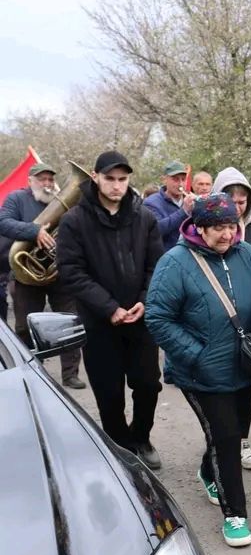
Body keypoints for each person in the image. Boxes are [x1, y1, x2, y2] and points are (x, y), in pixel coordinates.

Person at [145, 192, 251, 547]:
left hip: (243, 364)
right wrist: (196, 354)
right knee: (226, 436)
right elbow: (158, 317)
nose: (227, 234)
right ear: (198, 228)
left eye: (232, 225)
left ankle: (207, 470)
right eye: (218, 228)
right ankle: (235, 514)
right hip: (201, 371)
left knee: (236, 428)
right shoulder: (175, 262)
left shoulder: (250, 256)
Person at [56, 151, 165, 470]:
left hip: (140, 319)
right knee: (108, 390)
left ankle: (141, 438)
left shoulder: (144, 217)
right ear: (95, 177)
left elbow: (157, 265)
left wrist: (146, 299)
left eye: (123, 179)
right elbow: (71, 271)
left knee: (148, 384)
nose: (117, 185)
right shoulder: (74, 220)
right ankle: (119, 446)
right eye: (110, 178)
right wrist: (109, 308)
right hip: (100, 323)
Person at [0, 162, 85, 388]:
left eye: (50, 179)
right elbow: (3, 222)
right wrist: (33, 231)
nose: (47, 184)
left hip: (60, 272)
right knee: (24, 325)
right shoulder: (16, 199)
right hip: (27, 274)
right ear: (30, 181)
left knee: (70, 322)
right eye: (42, 179)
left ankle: (70, 374)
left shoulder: (64, 201)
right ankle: (32, 370)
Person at [212, 167, 251, 470]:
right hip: (218, 324)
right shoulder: (206, 228)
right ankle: (220, 444)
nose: (238, 205)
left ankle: (243, 442)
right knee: (221, 388)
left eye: (242, 199)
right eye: (230, 198)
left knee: (246, 383)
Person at [144, 160, 196, 250]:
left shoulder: (190, 200)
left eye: (183, 179)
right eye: (175, 179)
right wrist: (183, 211)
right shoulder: (151, 203)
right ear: (164, 180)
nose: (180, 184)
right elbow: (156, 231)